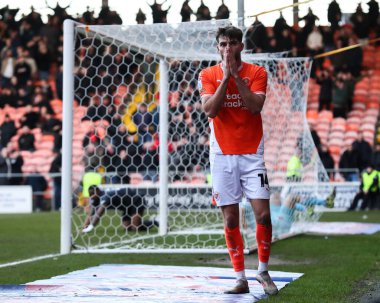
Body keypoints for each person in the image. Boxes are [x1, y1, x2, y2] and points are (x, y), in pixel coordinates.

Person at [198, 26, 278, 295]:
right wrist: (225, 77)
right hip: (221, 156)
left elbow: (255, 107)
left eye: (233, 43)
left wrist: (236, 76)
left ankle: (263, 272)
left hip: (252, 154)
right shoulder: (207, 75)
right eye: (223, 43)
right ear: (217, 47)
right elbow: (210, 110)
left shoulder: (257, 73)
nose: (228, 48)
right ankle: (240, 278)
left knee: (263, 214)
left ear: (241, 46)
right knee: (231, 219)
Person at [82, 185, 157, 233]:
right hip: (126, 206)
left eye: (93, 193)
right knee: (127, 228)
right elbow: (92, 214)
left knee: (135, 227)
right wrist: (84, 227)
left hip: (136, 200)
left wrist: (90, 227)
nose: (91, 196)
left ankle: (154, 221)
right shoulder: (96, 198)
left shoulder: (105, 196)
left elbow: (99, 213)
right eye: (90, 194)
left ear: (98, 191)